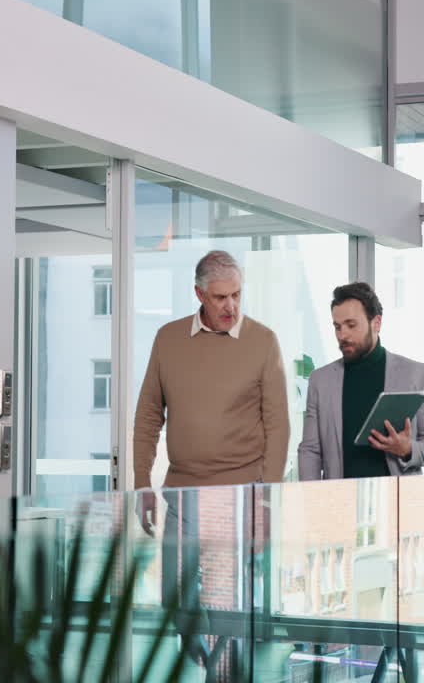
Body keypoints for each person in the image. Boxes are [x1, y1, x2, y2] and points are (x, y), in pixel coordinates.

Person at [132, 249, 290, 665]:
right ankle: (205, 661)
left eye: (237, 295)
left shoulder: (263, 341)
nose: (231, 306)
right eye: (220, 297)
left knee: (225, 598)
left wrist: (267, 500)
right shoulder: (168, 339)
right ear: (199, 294)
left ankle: (224, 671)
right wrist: (140, 483)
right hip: (181, 493)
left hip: (238, 495)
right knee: (173, 594)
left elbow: (278, 427)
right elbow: (149, 414)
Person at [298, 282, 424, 480]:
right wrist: (312, 501)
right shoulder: (320, 380)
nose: (343, 335)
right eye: (337, 327)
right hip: (340, 502)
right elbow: (310, 450)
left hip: (398, 502)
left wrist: (407, 449)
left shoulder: (417, 374)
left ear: (376, 323)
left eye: (351, 325)